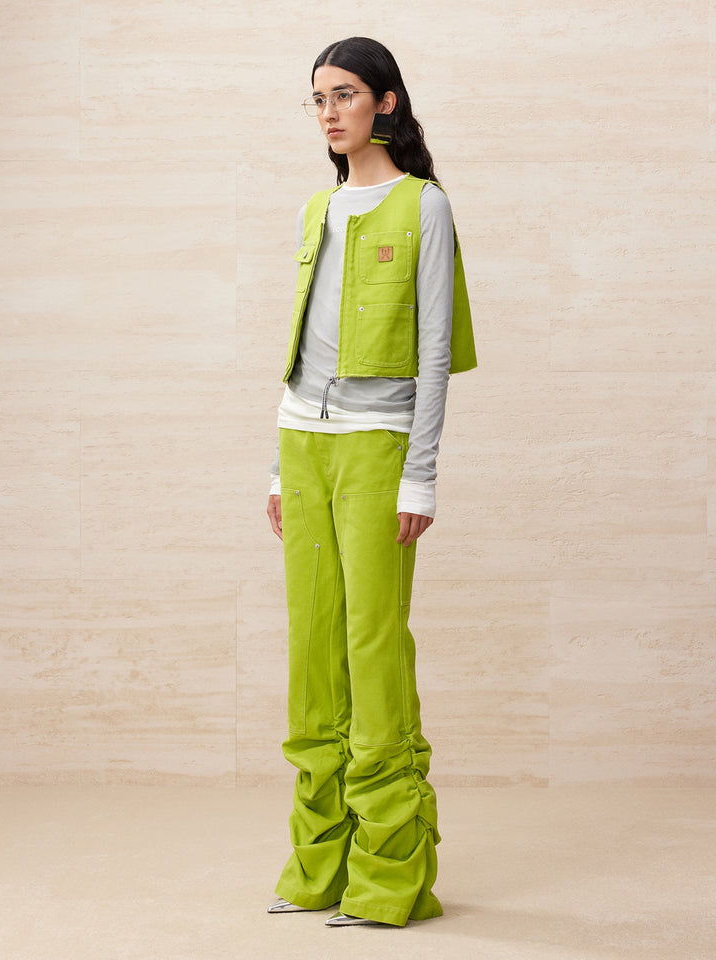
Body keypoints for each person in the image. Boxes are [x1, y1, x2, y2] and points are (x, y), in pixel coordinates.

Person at [265, 36, 476, 928]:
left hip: (378, 447)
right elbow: (300, 342)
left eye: (345, 94)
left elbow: (433, 354)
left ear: (386, 102)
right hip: (302, 443)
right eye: (318, 98)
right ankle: (319, 865)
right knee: (313, 651)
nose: (329, 112)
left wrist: (419, 478)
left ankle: (391, 877)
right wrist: (276, 466)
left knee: (373, 647)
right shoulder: (317, 208)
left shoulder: (424, 206)